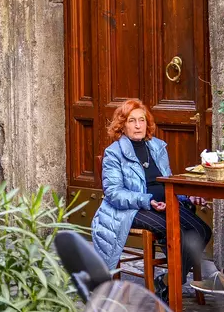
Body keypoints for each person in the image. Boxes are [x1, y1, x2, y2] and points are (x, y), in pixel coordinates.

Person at [91, 99, 212, 300]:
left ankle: (166, 281)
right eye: (132, 121)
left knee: (202, 230)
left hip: (165, 204)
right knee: (175, 232)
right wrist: (148, 201)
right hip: (132, 209)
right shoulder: (114, 153)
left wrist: (187, 196)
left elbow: (168, 183)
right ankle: (172, 289)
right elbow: (114, 193)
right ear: (122, 124)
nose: (138, 125)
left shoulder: (157, 147)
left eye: (142, 120)